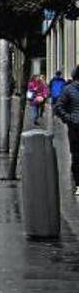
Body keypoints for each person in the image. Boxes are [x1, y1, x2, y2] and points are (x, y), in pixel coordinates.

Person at [53, 67, 79, 196]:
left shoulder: (68, 89)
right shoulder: (69, 89)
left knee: (76, 154)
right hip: (75, 127)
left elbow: (59, 107)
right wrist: (68, 118)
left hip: (74, 125)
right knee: (77, 154)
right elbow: (59, 107)